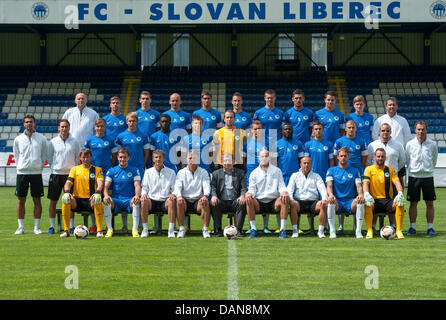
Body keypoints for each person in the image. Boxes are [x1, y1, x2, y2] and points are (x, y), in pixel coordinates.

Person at [367, 123, 406, 231]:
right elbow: (368, 161)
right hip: (375, 178)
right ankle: (373, 226)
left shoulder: (398, 145)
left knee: (393, 202)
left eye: (387, 131)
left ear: (391, 132)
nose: (385, 133)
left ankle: (393, 226)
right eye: (383, 130)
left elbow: (402, 161)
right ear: (379, 132)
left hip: (392, 179)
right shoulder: (372, 145)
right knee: (374, 201)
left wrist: (393, 171)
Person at [13, 115, 47, 235]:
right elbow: (16, 155)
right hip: (22, 172)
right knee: (21, 200)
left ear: (34, 123)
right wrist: (21, 166)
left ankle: (36, 227)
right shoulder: (18, 139)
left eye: (31, 122)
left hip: (36, 173)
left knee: (37, 200)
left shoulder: (41, 138)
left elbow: (44, 155)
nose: (29, 124)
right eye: (27, 122)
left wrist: (39, 166)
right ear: (24, 124)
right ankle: (20, 227)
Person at [245, 150, 290, 238]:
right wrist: (249, 193)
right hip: (259, 202)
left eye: (266, 156)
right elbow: (252, 188)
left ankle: (282, 230)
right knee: (249, 199)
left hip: (274, 201)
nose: (264, 158)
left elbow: (281, 186)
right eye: (262, 156)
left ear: (269, 158)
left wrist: (284, 192)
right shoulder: (254, 173)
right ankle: (253, 229)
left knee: (285, 198)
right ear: (259, 158)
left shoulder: (277, 171)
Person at [60, 148, 104, 238]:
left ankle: (99, 231)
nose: (85, 159)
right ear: (80, 158)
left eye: (87, 157)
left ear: (91, 157)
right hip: (77, 200)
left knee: (97, 200)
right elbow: (68, 183)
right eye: (83, 157)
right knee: (66, 199)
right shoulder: (74, 169)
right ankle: (66, 230)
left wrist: (98, 192)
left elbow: (100, 183)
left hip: (90, 199)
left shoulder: (97, 170)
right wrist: (67, 192)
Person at [363, 148, 406, 239]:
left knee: (400, 203)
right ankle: (369, 230)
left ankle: (399, 230)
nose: (380, 158)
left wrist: (400, 193)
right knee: (367, 204)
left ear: (385, 157)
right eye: (378, 156)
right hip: (374, 201)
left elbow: (397, 182)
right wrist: (366, 194)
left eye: (382, 156)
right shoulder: (369, 169)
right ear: (374, 157)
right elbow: (365, 183)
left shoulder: (390, 170)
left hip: (388, 201)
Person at [46, 119, 80, 235]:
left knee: (70, 201)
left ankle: (70, 226)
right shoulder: (53, 141)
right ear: (58, 128)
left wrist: (73, 171)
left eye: (66, 127)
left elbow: (77, 158)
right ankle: (51, 226)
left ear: (69, 128)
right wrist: (55, 167)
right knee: (53, 201)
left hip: (70, 176)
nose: (64, 129)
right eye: (62, 127)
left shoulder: (74, 142)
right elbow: (49, 157)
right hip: (56, 174)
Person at [405, 121, 438, 236]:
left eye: (423, 129)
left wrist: (428, 169)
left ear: (426, 130)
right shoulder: (409, 144)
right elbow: (408, 160)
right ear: (415, 130)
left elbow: (434, 159)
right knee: (413, 203)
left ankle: (430, 228)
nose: (421, 131)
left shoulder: (432, 144)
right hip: (414, 177)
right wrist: (413, 170)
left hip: (428, 177)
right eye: (418, 129)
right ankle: (412, 227)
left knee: (430, 203)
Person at [326, 147, 365, 239]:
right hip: (337, 201)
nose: (343, 158)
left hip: (350, 201)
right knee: (330, 201)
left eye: (345, 156)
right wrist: (331, 195)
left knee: (360, 201)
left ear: (348, 157)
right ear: (338, 157)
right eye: (341, 156)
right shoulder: (331, 170)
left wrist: (360, 195)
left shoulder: (355, 171)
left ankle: (358, 230)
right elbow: (329, 186)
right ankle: (332, 230)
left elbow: (359, 186)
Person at [102, 148, 141, 238]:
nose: (122, 159)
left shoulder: (134, 170)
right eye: (120, 157)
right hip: (116, 200)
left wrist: (136, 195)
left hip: (129, 200)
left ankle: (134, 230)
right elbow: (105, 186)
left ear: (128, 158)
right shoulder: (111, 171)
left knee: (136, 202)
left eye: (124, 157)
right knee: (106, 201)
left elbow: (137, 185)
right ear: (117, 157)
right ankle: (110, 229)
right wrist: (106, 195)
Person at [173, 150, 212, 238]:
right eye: (190, 158)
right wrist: (179, 196)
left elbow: (206, 185)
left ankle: (205, 230)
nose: (192, 160)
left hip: (198, 200)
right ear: (187, 159)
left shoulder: (203, 172)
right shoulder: (181, 172)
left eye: (194, 158)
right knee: (179, 202)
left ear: (198, 159)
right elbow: (177, 187)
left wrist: (205, 196)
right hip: (185, 200)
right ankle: (181, 229)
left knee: (205, 202)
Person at [287, 156, 328, 238]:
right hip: (299, 202)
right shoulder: (295, 175)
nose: (306, 165)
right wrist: (291, 200)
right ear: (300, 164)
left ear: (311, 164)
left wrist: (324, 199)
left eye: (308, 163)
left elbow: (323, 189)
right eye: (304, 163)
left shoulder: (317, 176)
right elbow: (289, 190)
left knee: (323, 204)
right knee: (293, 204)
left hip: (313, 202)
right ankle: (295, 231)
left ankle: (320, 232)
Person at [140, 150, 177, 238]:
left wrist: (173, 194)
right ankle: (145, 230)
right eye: (156, 157)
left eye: (160, 157)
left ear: (164, 159)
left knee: (171, 201)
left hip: (165, 200)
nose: (158, 159)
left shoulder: (171, 172)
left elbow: (175, 188)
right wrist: (144, 194)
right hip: (152, 200)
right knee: (144, 201)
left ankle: (171, 230)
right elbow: (144, 187)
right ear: (153, 159)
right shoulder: (148, 172)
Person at [243, 120, 271, 233]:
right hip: (251, 174)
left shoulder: (268, 142)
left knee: (265, 196)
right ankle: (251, 226)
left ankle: (265, 226)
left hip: (265, 174)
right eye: (255, 129)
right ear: (251, 130)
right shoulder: (246, 144)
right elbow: (243, 160)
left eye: (259, 129)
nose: (257, 131)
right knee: (250, 198)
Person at [210, 153, 248, 236]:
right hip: (222, 201)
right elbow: (213, 187)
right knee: (214, 203)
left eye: (229, 161)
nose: (227, 163)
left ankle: (239, 230)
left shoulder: (240, 172)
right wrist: (214, 196)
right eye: (225, 161)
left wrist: (242, 196)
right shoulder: (216, 173)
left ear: (233, 162)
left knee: (242, 203)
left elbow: (244, 188)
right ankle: (219, 230)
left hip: (235, 200)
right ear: (222, 162)